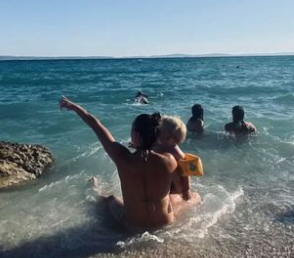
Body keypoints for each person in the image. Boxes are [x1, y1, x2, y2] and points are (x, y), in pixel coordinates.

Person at [59, 97, 198, 229]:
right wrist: (186, 191)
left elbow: (96, 125)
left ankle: (94, 191)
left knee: (110, 200)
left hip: (134, 225)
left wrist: (75, 107)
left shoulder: (122, 158)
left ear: (136, 135)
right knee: (182, 197)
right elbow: (184, 169)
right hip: (164, 222)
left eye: (132, 130)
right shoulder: (170, 161)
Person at [154, 116, 194, 201]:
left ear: (168, 135)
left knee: (172, 168)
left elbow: (186, 172)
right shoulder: (159, 145)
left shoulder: (175, 151)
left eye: (159, 130)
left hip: (177, 186)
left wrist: (186, 189)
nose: (156, 131)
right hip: (168, 182)